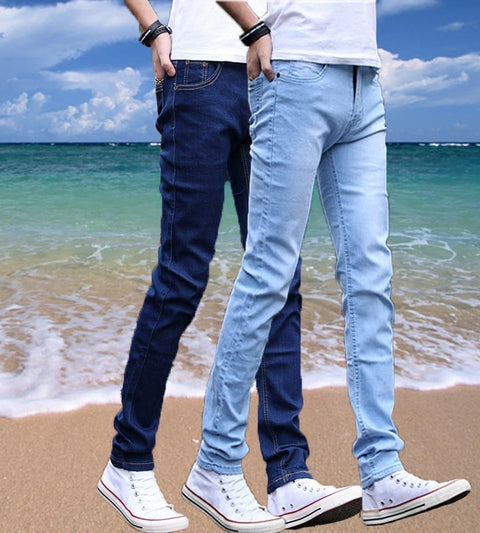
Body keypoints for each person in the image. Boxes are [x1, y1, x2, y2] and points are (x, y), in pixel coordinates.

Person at [183, 1, 471, 531]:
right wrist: (253, 26)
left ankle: (382, 471)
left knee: (370, 275)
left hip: (364, 79)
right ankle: (216, 464)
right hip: (293, 72)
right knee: (269, 270)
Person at [97, 1, 362, 532]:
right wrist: (151, 28)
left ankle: (288, 475)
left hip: (279, 77)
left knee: (280, 280)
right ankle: (127, 462)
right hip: (200, 74)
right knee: (182, 276)